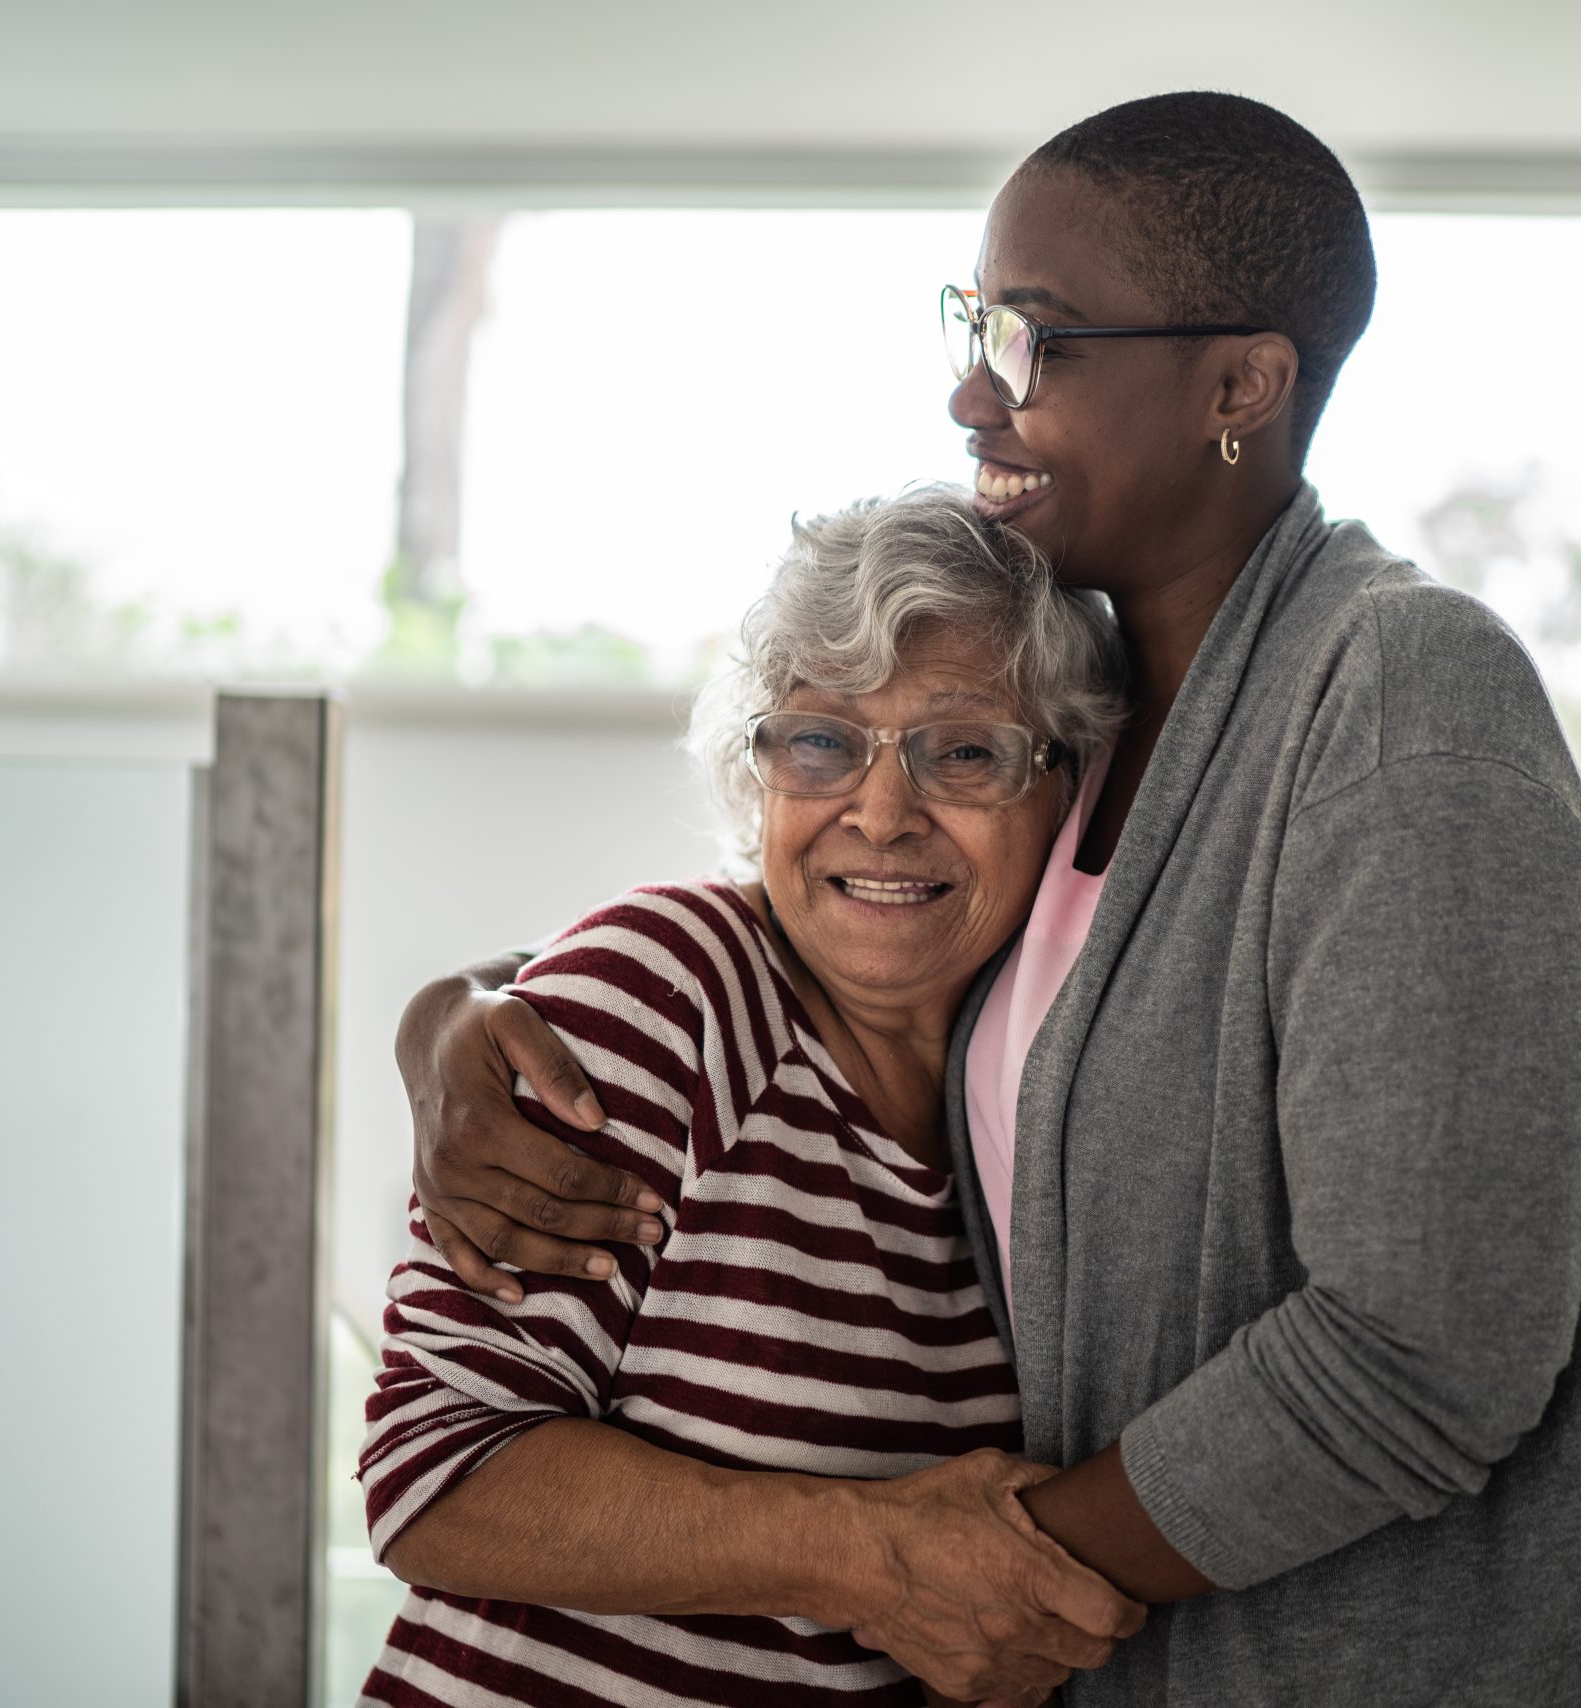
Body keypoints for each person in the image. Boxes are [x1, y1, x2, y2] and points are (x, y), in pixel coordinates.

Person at [398, 93, 1581, 1704]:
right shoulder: (1109, 716)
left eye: (1036, 340)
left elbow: (1428, 1345)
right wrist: (463, 1019)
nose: (972, 388)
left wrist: (963, 1560)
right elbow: (840, 913)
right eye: (976, 324)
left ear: (1240, 386)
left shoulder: (1397, 693)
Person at [357, 488, 1142, 1706]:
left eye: (966, 751)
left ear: (1070, 787)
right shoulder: (667, 992)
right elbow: (431, 1476)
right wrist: (864, 1554)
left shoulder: (1050, 1099)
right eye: (822, 741)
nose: (881, 815)